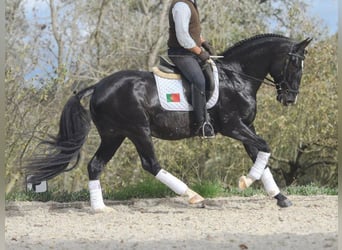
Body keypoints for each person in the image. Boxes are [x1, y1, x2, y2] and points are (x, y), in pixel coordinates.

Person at [167, 0, 215, 138]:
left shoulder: (191, 3)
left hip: (190, 52)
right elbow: (183, 37)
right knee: (198, 80)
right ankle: (201, 124)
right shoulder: (181, 5)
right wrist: (200, 52)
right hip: (181, 53)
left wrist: (204, 43)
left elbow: (192, 31)